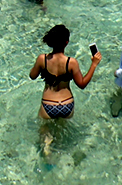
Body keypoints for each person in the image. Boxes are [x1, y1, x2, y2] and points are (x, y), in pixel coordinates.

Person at [29, 24, 101, 154]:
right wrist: (94, 64)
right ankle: (62, 149)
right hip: (66, 105)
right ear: (66, 43)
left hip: (48, 105)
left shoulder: (42, 59)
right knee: (61, 128)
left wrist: (41, 68)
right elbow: (82, 84)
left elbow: (32, 76)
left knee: (45, 130)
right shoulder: (71, 62)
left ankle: (47, 148)